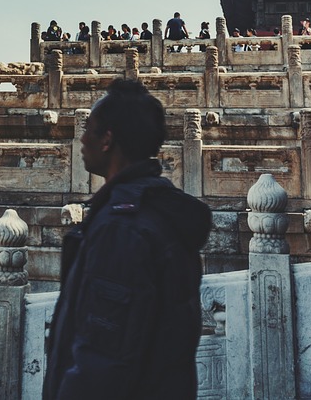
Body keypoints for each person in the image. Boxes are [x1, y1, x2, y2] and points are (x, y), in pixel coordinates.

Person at [44, 79, 212, 399]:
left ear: (107, 139)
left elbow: (103, 359)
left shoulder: (123, 227)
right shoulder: (161, 210)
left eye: (89, 129)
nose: (81, 139)